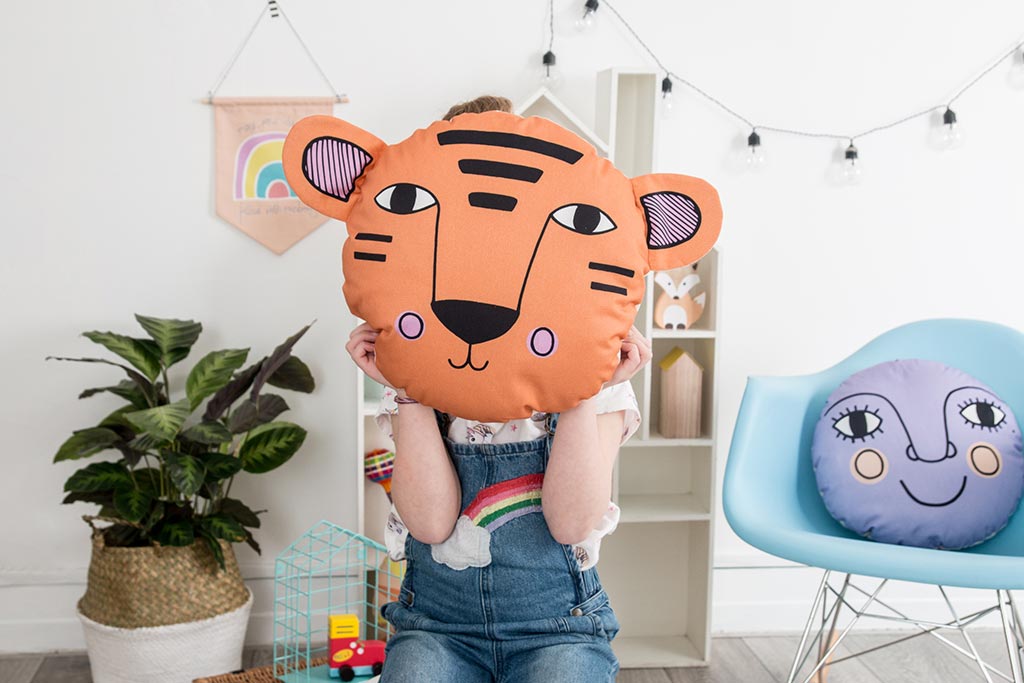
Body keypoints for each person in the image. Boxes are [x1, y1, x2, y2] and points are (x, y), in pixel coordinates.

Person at [343, 95, 653, 682]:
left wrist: (584, 391)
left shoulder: (603, 389)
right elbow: (432, 526)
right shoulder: (423, 375)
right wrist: (406, 390)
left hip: (560, 628)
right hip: (437, 627)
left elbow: (571, 523)